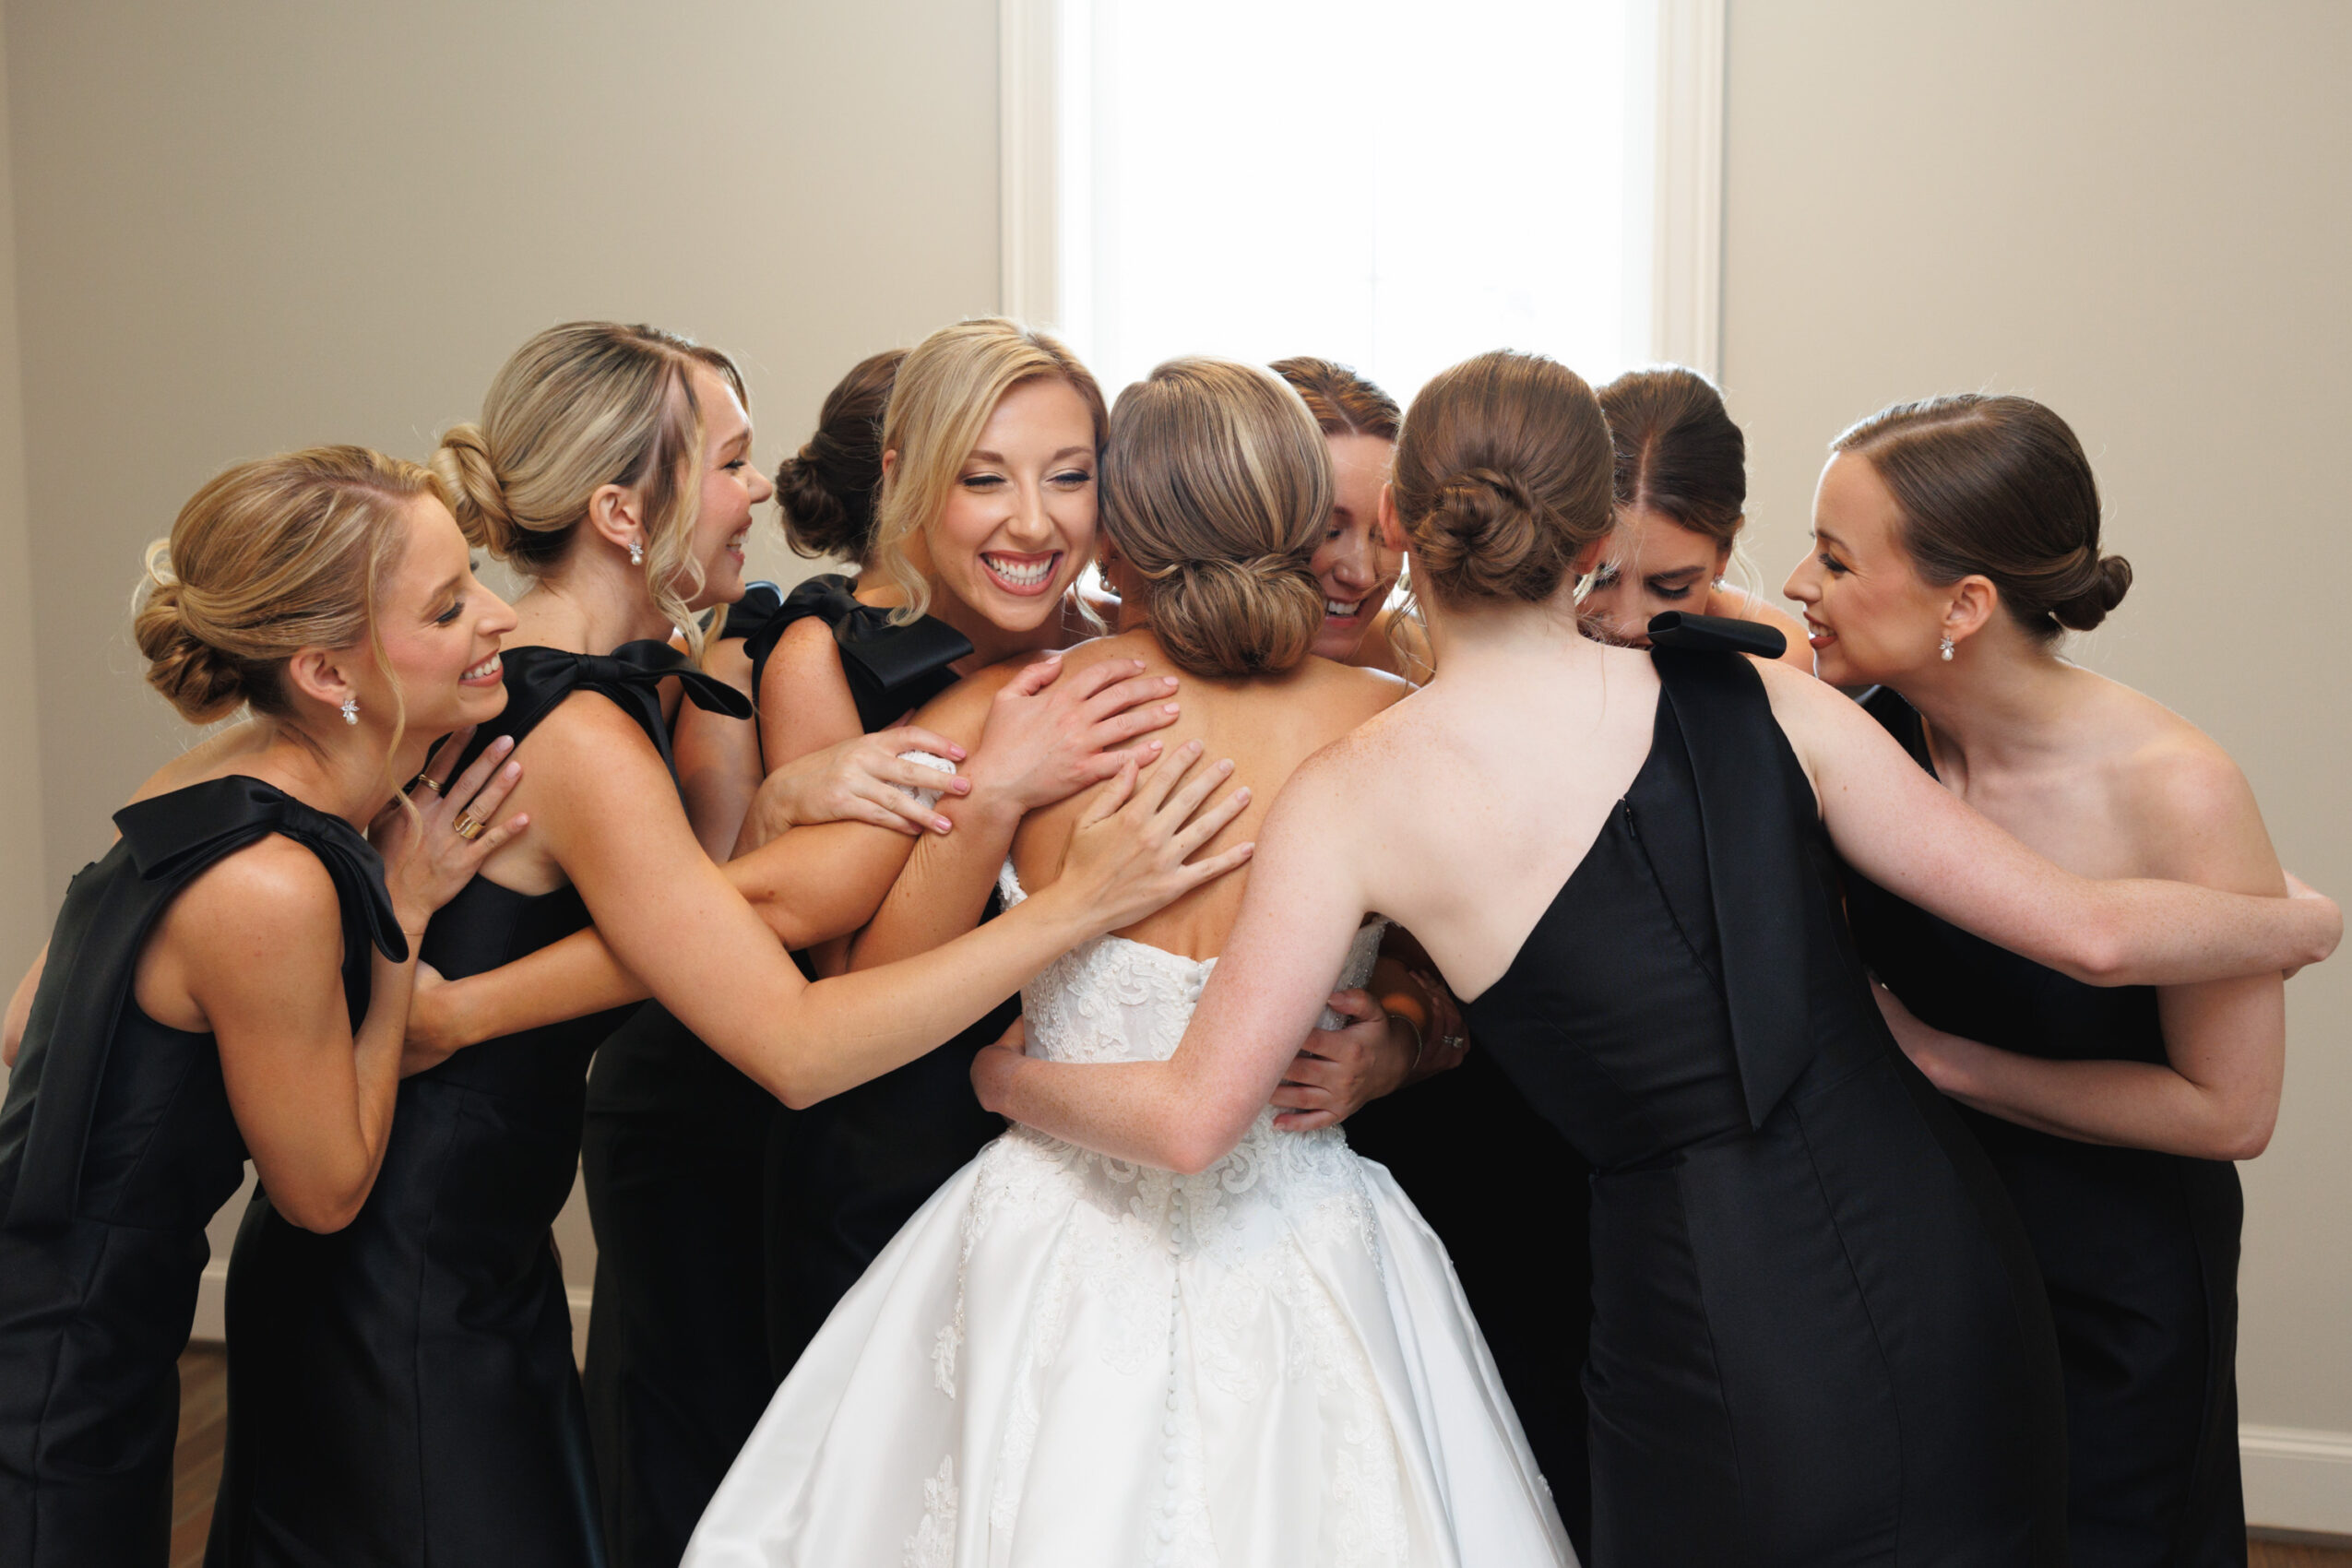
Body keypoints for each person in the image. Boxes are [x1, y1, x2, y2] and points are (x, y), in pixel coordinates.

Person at [969, 349, 2341, 1566]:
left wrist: (1005, 1079)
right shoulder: (1758, 693)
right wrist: (2297, 922)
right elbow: (2088, 931)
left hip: (1707, 1313)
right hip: (1951, 1275)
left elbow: (1199, 1115)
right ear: (1588, 536)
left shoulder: (1361, 786)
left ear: (1398, 523)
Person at [206, 323, 1244, 1568]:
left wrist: (770, 811)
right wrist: (1058, 897)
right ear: (622, 510)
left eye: (1068, 474)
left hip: (470, 1237)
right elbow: (797, 1017)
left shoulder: (577, 680)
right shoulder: (557, 707)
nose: (765, 490)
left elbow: (701, 906)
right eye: (731, 462)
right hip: (420, 1252)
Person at [687, 357, 1574, 1568]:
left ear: (1117, 543)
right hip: (1306, 1230)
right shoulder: (1394, 720)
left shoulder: (1025, 705)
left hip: (1045, 1232)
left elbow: (864, 980)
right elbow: (1512, 981)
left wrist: (969, 850)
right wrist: (1415, 1029)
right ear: (1295, 523)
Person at [0, 446, 526, 1566]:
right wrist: (402, 924)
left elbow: (20, 1028)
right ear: (329, 675)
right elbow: (327, 1190)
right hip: (60, 1370)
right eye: (448, 604)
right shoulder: (272, 884)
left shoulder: (208, 772)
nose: (499, 616)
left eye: (475, 573)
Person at [1787, 393, 2280, 1566]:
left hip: (2117, 1279)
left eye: (1837, 557)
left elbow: (2234, 1110)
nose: (1800, 581)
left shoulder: (2179, 788)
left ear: (1964, 605)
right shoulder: (1862, 730)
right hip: (1928, 1250)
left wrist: (1942, 1059)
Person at [1581, 366, 1811, 670]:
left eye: (1670, 588)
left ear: (1724, 552)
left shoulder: (1778, 667)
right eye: (1595, 581)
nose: (1628, 625)